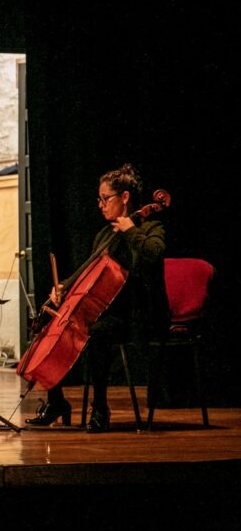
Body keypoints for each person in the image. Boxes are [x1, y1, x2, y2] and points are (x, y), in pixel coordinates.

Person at [24, 163, 169, 432]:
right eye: (99, 199)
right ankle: (56, 402)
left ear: (124, 197)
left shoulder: (151, 226)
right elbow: (89, 275)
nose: (100, 204)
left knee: (97, 334)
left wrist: (131, 230)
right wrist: (63, 288)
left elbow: (152, 256)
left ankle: (100, 407)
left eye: (105, 198)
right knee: (48, 320)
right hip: (104, 310)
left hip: (135, 314)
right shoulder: (104, 234)